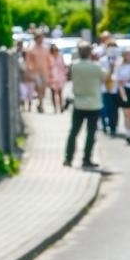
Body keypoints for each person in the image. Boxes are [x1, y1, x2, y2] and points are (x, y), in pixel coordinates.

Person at [63, 41, 102, 170]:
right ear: (91, 53)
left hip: (78, 103)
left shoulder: (73, 66)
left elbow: (68, 77)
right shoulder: (96, 67)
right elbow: (106, 78)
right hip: (94, 104)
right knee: (91, 134)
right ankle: (86, 159)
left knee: (74, 132)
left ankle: (68, 158)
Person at [46, 43, 67, 113]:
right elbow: (47, 67)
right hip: (52, 76)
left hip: (60, 76)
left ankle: (60, 107)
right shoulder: (49, 57)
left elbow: (63, 65)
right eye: (53, 50)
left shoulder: (60, 56)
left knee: (60, 93)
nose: (55, 51)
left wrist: (65, 74)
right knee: (53, 93)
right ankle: (55, 108)